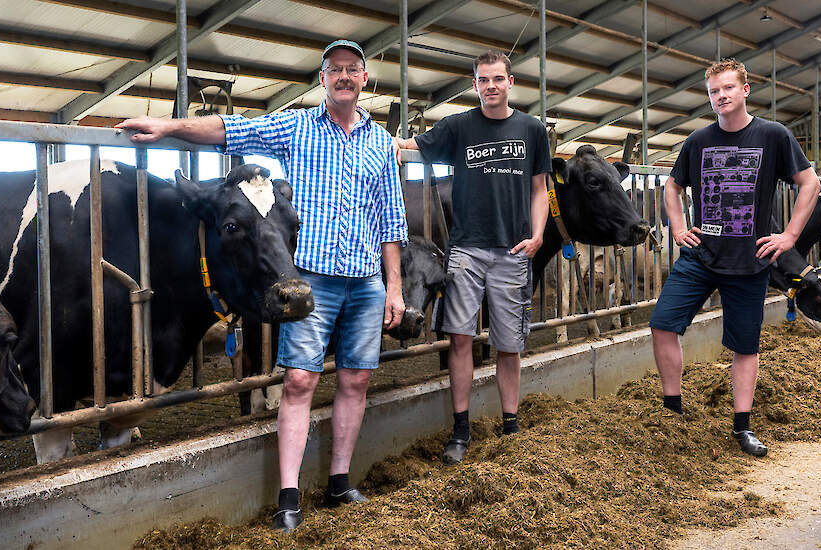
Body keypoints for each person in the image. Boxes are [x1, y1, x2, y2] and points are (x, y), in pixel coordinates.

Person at [116, 39, 407, 533]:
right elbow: (231, 128)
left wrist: (394, 286)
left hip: (365, 278)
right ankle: (288, 498)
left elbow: (392, 218)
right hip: (309, 277)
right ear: (322, 79)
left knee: (356, 379)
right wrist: (168, 127)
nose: (343, 76)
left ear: (364, 80)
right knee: (298, 381)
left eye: (352, 69)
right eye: (334, 69)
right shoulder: (296, 126)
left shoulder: (381, 142)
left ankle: (339, 481)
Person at [648, 58, 820, 457]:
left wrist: (790, 235)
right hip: (700, 254)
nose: (720, 96)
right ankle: (672, 410)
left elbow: (809, 182)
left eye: (727, 88)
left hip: (749, 260)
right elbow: (671, 189)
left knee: (746, 346)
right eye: (713, 91)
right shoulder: (698, 141)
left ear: (745, 90)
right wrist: (677, 229)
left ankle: (742, 427)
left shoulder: (772, 135)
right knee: (661, 324)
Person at [395, 49, 550, 464]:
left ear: (511, 82)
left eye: (497, 79)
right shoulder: (459, 127)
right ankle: (460, 431)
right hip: (465, 250)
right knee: (460, 339)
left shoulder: (532, 130)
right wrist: (373, 141)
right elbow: (409, 146)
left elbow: (540, 189)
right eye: (483, 80)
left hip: (513, 250)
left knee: (508, 344)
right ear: (475, 83)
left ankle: (511, 426)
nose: (490, 87)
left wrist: (537, 235)